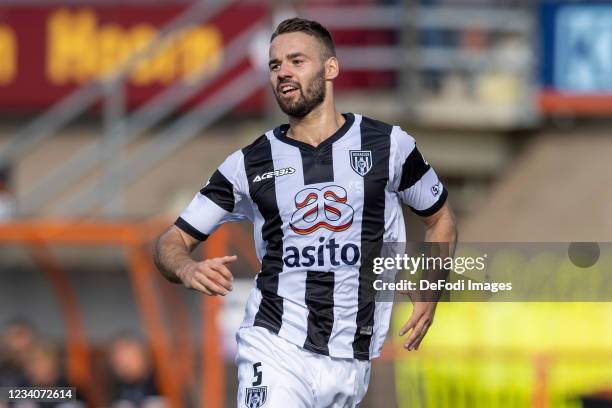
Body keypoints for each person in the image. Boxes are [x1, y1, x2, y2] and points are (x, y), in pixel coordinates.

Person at [154, 17, 457, 407]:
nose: (283, 73)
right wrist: (187, 268)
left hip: (351, 358)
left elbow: (441, 219)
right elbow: (171, 241)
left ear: (331, 68)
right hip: (275, 343)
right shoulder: (248, 164)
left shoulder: (388, 146)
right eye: (275, 65)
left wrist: (432, 288)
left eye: (296, 61)